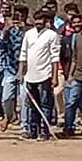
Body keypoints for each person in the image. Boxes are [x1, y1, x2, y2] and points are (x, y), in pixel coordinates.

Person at [18, 10, 60, 141]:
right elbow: (23, 54)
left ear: (46, 21)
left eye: (41, 20)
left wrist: (54, 76)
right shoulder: (29, 34)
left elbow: (55, 57)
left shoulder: (52, 35)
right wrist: (20, 73)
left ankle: (44, 131)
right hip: (30, 75)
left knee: (45, 104)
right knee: (32, 104)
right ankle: (33, 131)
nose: (38, 23)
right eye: (36, 20)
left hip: (45, 74)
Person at [63, 14, 82, 138]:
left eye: (78, 22)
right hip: (78, 75)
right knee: (71, 102)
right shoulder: (75, 37)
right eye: (74, 23)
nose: (76, 25)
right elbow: (74, 58)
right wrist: (70, 75)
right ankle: (68, 128)